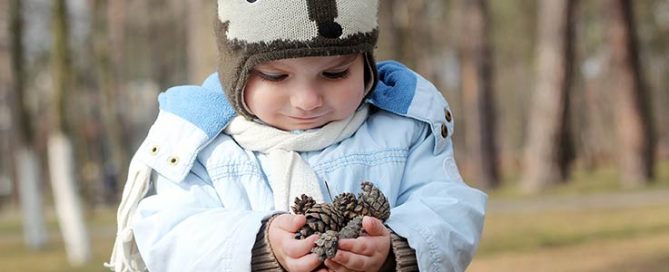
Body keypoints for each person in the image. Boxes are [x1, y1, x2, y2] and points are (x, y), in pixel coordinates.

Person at [106, 0, 487, 271]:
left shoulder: (400, 129)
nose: (307, 100)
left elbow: (449, 207)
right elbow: (170, 236)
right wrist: (258, 246)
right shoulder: (204, 147)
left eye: (335, 74)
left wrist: (397, 246)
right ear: (234, 74)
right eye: (276, 77)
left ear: (365, 66)